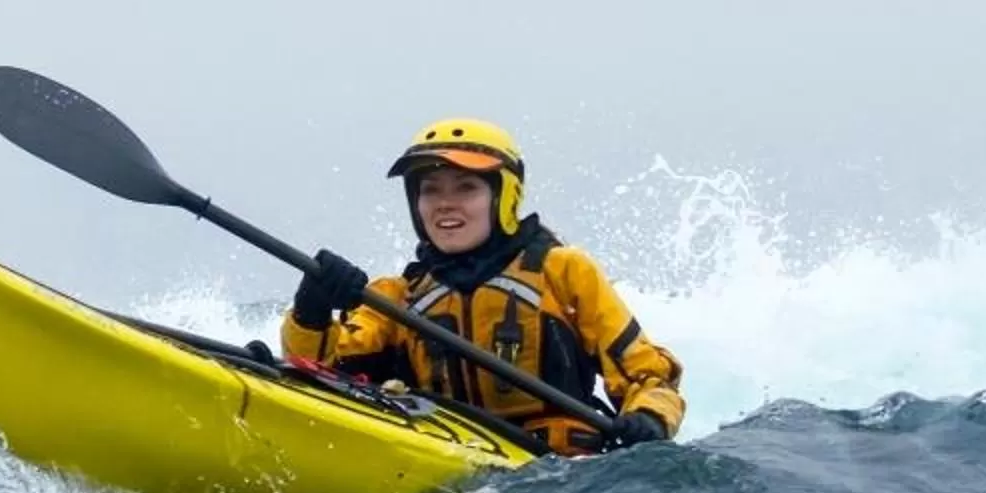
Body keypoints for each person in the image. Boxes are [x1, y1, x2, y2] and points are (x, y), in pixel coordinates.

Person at [282, 118, 685, 455]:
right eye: (430, 190)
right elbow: (316, 377)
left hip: (558, 473)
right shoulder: (397, 296)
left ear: (503, 195)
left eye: (466, 187)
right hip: (444, 455)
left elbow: (649, 376)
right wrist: (311, 310)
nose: (445, 203)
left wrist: (649, 416)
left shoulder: (564, 271)